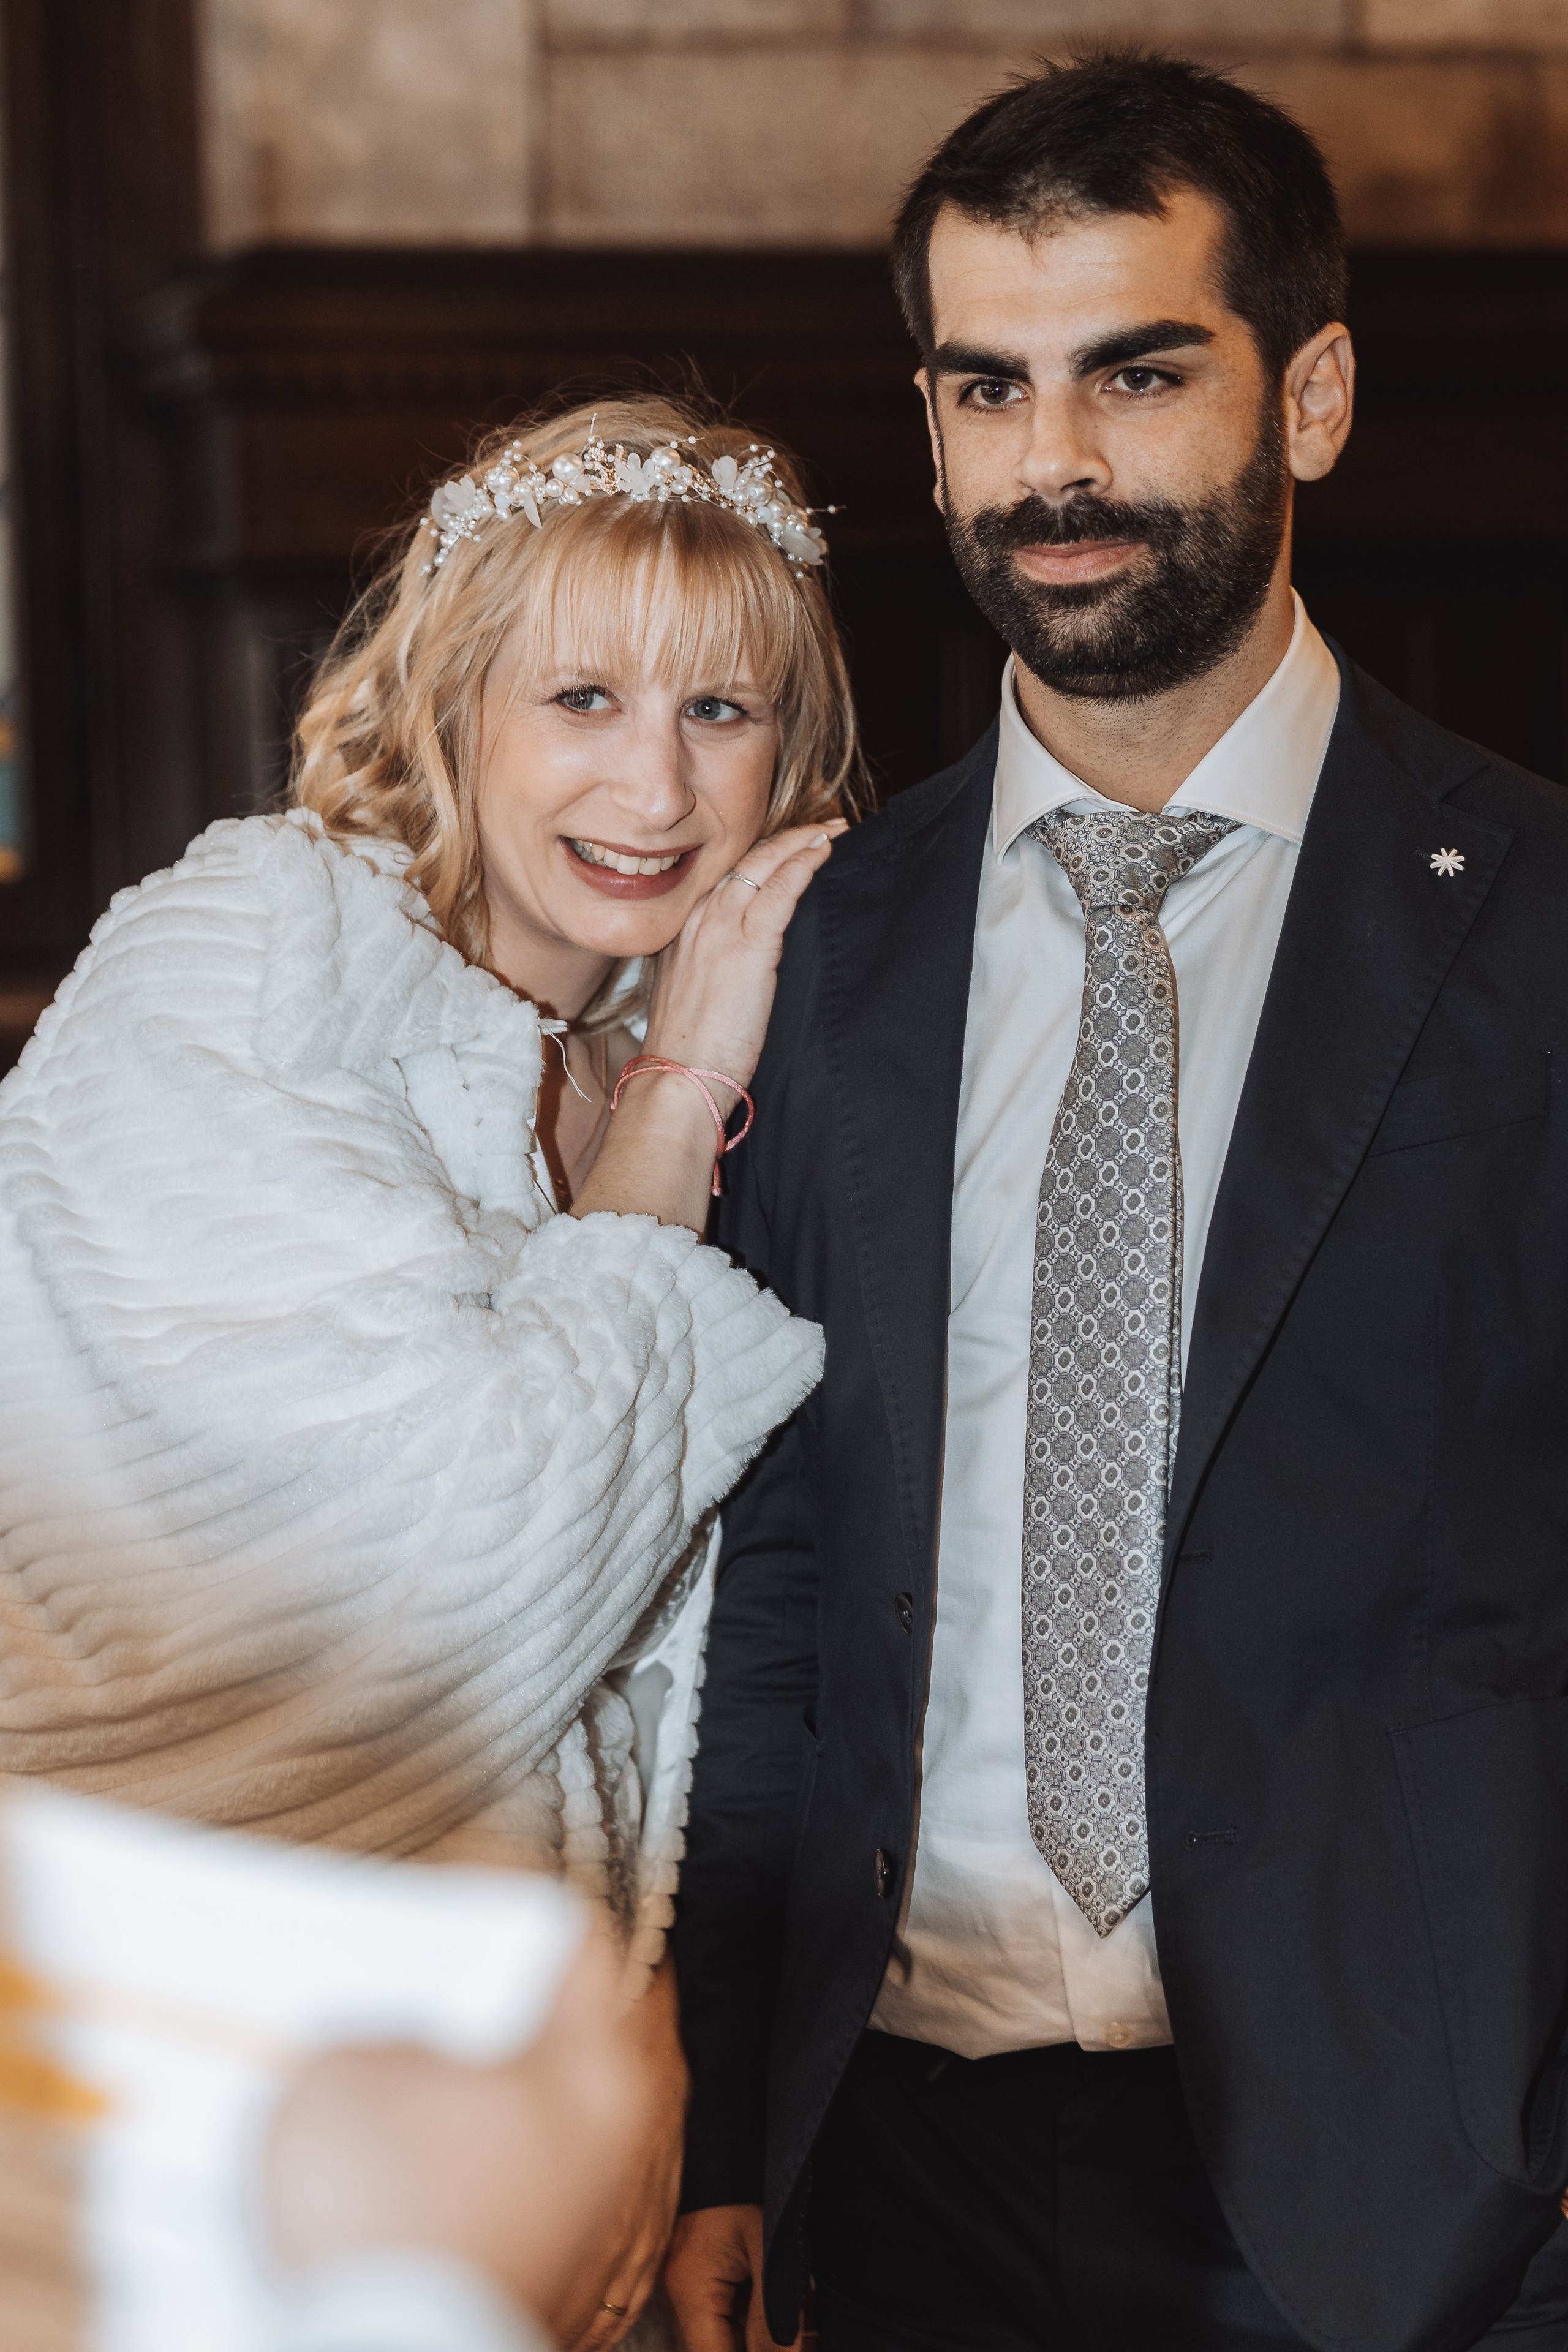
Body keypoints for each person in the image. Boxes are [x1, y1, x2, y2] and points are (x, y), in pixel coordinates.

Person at [666, 53, 1568, 2352]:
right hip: (882, 2161)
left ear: (1317, 394)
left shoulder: (1541, 913)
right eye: (991, 387)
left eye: (1138, 375)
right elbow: (768, 1569)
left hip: (1427, 2180)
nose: (1053, 468)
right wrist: (716, 2135)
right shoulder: (822, 944)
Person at [0, 391, 856, 2346]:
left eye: (721, 714)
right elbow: (472, 1554)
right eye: (583, 700)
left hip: (527, 2145)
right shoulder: (249, 960)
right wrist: (683, 1095)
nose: (656, 788)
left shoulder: (715, 1038)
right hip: (185, 2099)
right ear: (454, 695)